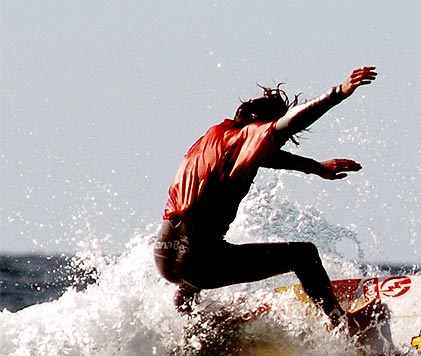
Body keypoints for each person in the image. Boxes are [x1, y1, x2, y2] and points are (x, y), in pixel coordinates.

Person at [154, 66, 378, 328]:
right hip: (198, 259)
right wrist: (338, 92)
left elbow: (267, 156)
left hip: (166, 254)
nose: (279, 142)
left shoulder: (217, 136)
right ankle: (342, 325)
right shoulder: (252, 134)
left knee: (196, 273)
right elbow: (288, 124)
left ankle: (194, 322)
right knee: (304, 255)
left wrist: (316, 168)